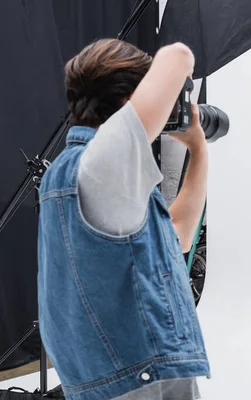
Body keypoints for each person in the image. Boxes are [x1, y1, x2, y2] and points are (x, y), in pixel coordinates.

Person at [36, 39, 209, 400]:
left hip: (126, 378)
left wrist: (199, 149)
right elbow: (178, 56)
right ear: (132, 100)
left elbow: (179, 236)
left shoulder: (83, 174)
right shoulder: (103, 163)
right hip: (137, 381)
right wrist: (179, 84)